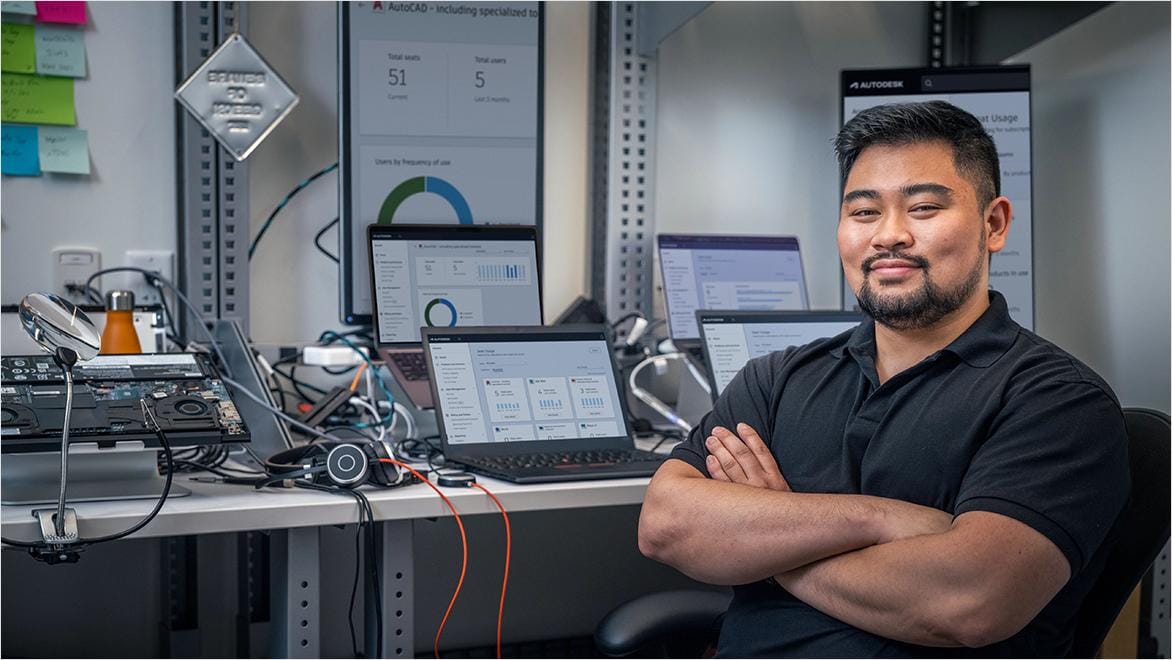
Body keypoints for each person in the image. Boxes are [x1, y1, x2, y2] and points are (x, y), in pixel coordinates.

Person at [638, 100, 1130, 657]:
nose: (888, 236)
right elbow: (666, 523)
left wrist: (772, 542)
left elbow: (967, 602)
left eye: (922, 208)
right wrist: (883, 518)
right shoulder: (778, 379)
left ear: (993, 224)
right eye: (865, 213)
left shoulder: (1057, 401)